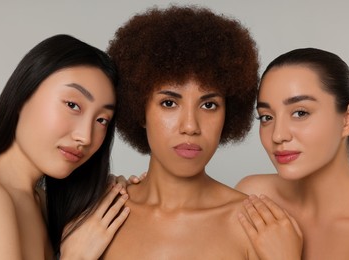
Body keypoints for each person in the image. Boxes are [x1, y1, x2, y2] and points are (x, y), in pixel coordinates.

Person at [102, 5, 302, 259]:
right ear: (139, 110)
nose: (190, 126)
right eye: (169, 103)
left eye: (209, 105)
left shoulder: (254, 226)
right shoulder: (103, 214)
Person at [0, 34, 130, 259]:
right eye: (72, 105)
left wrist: (111, 197)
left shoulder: (41, 203)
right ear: (23, 94)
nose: (85, 137)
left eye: (102, 120)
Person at [236, 48, 349, 259]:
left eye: (300, 113)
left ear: (348, 119)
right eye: (266, 117)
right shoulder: (256, 198)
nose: (278, 135)